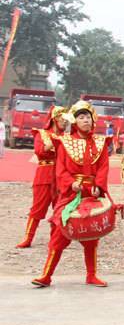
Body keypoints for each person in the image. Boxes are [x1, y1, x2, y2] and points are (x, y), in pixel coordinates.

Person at [32, 101, 112, 287]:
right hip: (71, 194)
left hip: (92, 194)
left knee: (92, 238)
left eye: (88, 117)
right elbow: (60, 169)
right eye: (81, 117)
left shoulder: (100, 143)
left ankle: (91, 275)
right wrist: (71, 184)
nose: (85, 120)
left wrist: (98, 186)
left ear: (93, 120)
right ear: (75, 121)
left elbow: (103, 168)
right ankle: (46, 275)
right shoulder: (64, 142)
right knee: (60, 235)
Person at [17, 106, 68, 248]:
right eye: (63, 119)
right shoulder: (42, 134)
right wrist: (55, 141)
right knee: (38, 208)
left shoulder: (68, 137)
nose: (65, 123)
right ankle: (28, 237)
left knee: (60, 208)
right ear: (55, 119)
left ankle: (55, 238)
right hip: (44, 175)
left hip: (61, 176)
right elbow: (39, 151)